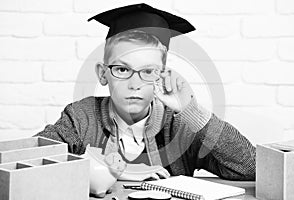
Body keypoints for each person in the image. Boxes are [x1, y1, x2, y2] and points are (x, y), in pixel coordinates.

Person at [35, 3, 255, 181]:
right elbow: (33, 162)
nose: (134, 84)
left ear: (161, 76)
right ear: (103, 74)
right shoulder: (81, 117)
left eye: (148, 71)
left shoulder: (181, 125)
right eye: (122, 69)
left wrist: (194, 113)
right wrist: (117, 171)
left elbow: (251, 167)